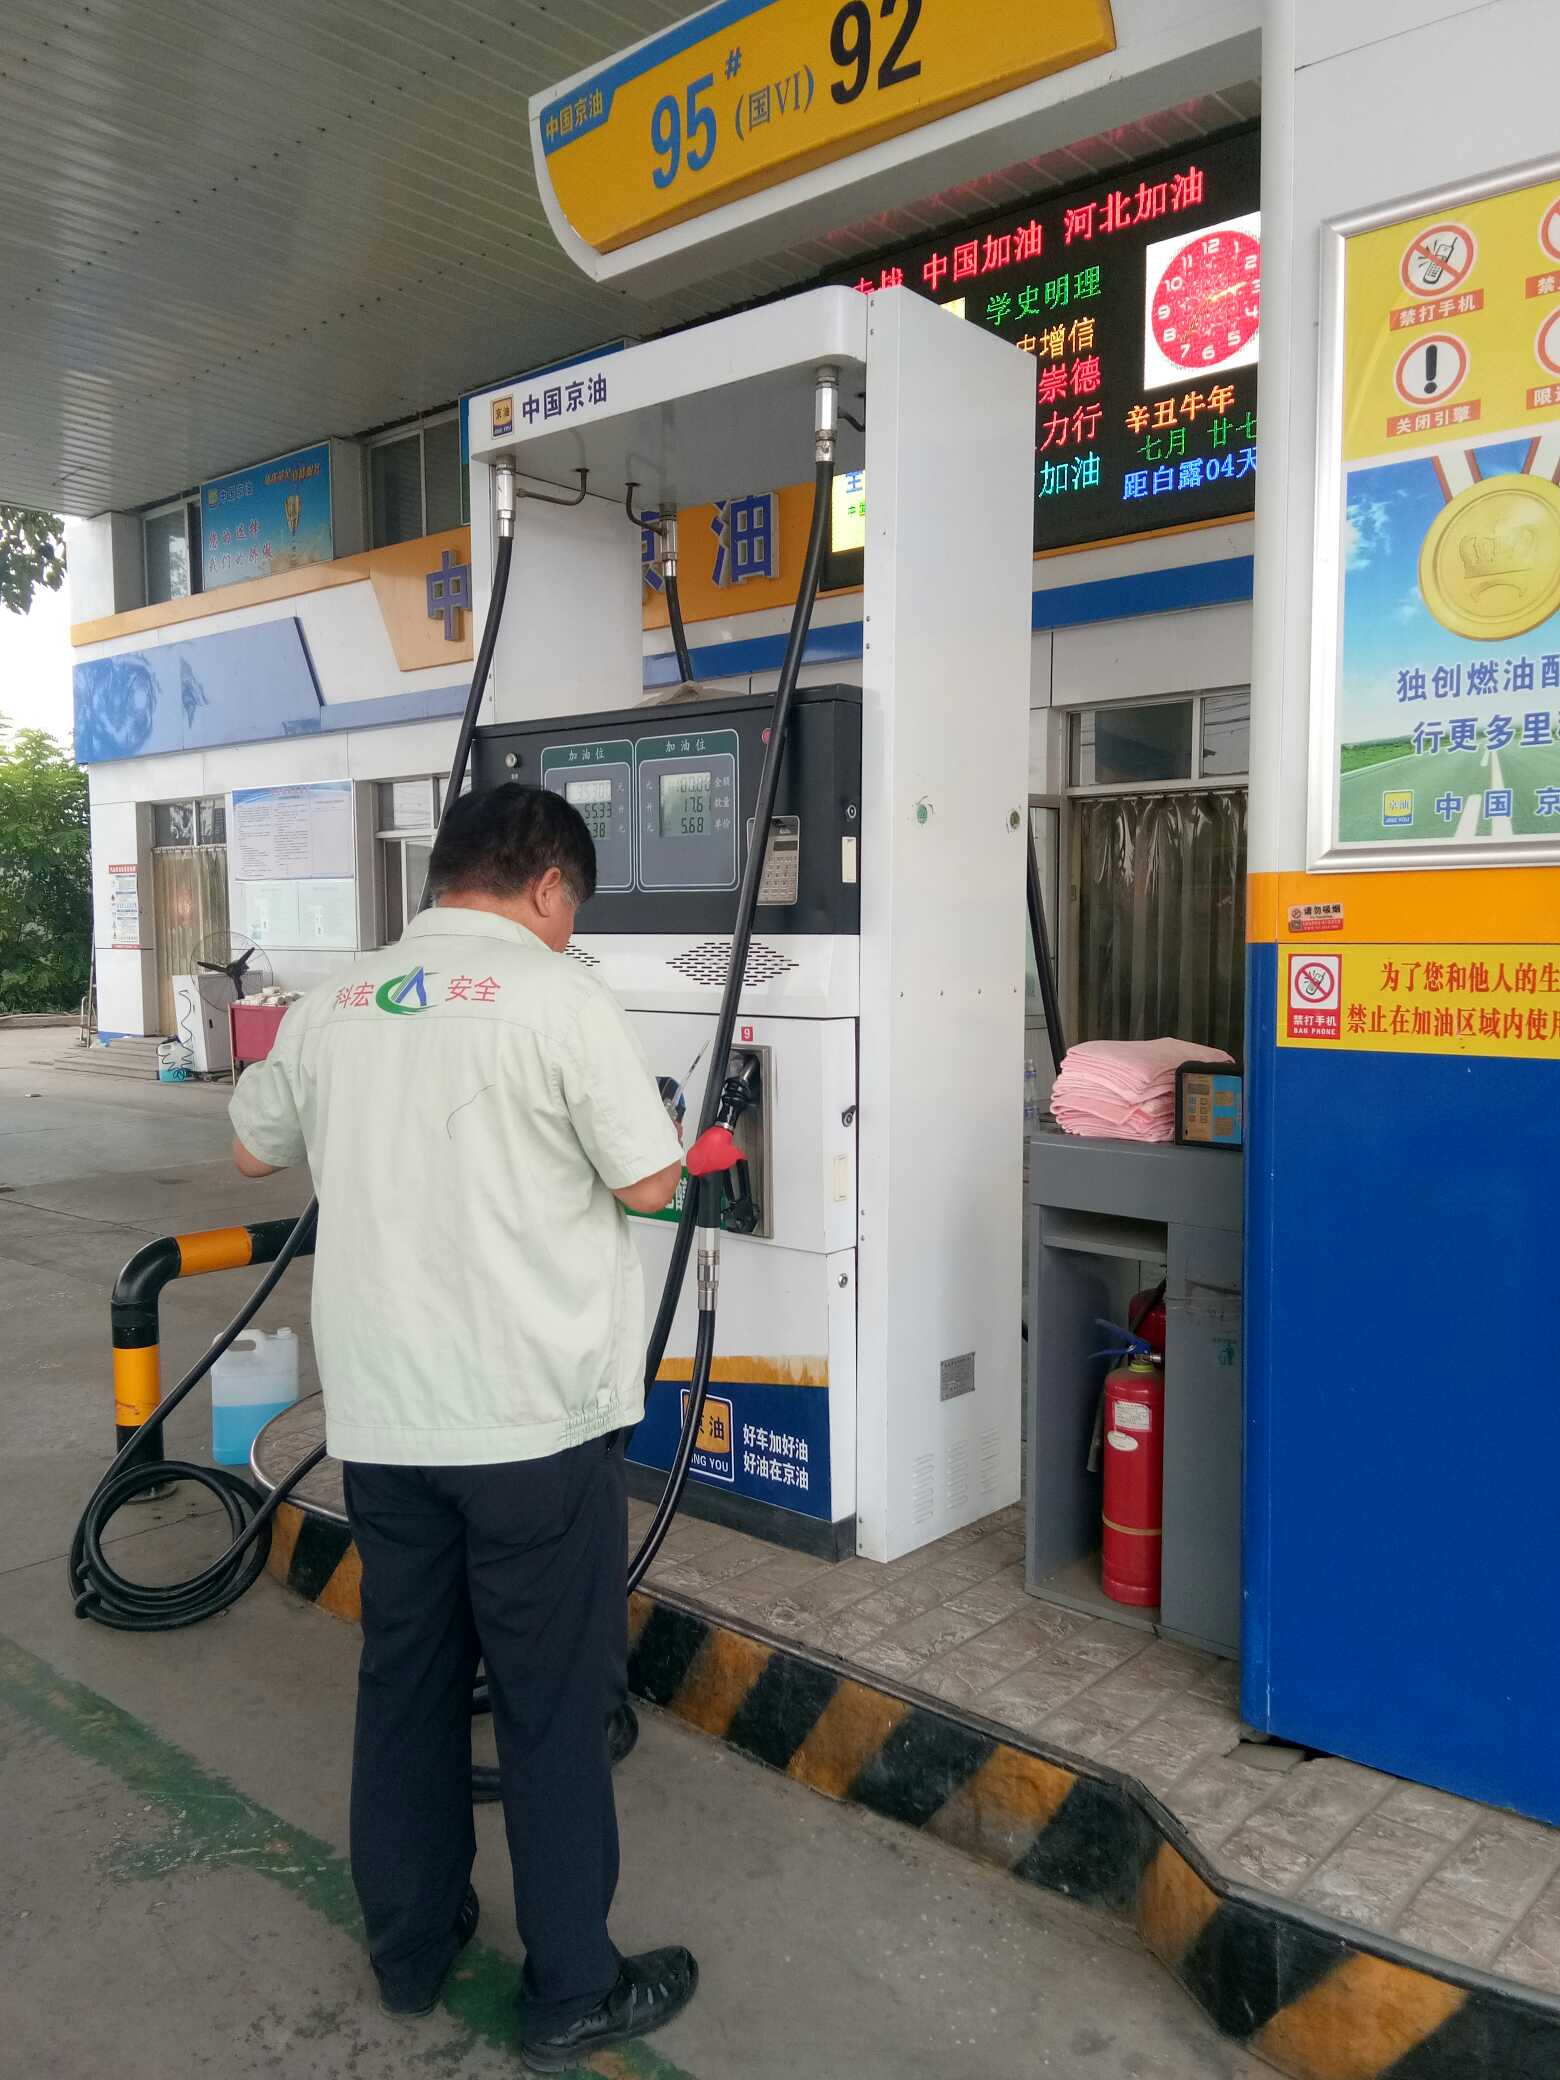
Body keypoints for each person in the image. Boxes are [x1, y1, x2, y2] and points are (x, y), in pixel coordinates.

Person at [228, 782, 697, 2072]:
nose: (567, 927)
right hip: (534, 1421)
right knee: (550, 1706)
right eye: (571, 906)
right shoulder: (562, 1000)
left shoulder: (335, 1001)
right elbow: (649, 1183)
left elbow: (255, 1149)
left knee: (407, 1684)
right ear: (547, 886)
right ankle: (572, 1988)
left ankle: (411, 1949)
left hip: (386, 1422)